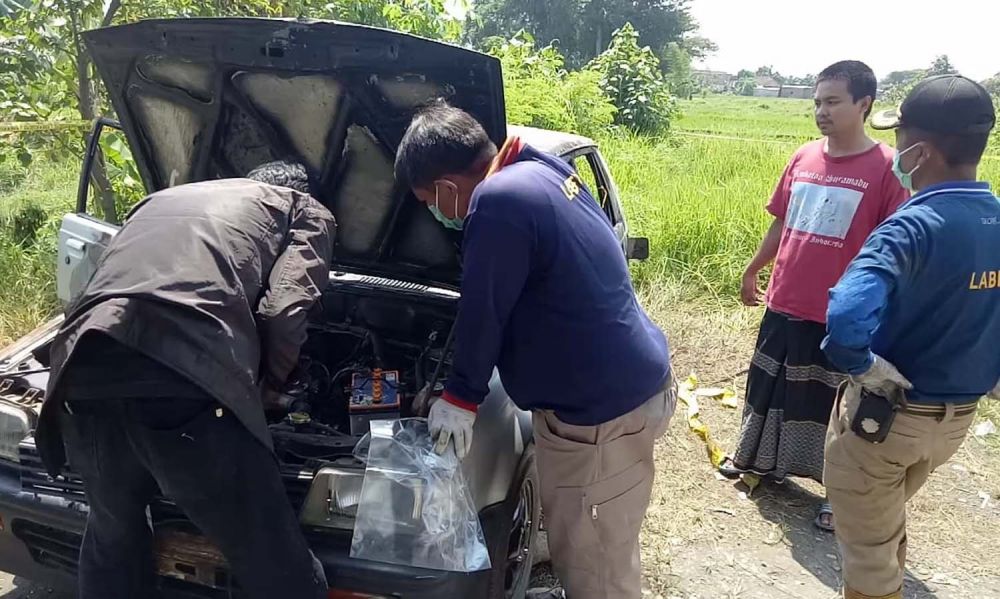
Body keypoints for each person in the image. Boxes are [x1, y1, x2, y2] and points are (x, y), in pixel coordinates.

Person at [394, 102, 675, 599]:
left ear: (444, 187)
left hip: (599, 418)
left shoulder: (499, 200)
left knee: (598, 564)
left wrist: (461, 397)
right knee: (591, 539)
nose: (433, 212)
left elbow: (485, 308)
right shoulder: (538, 167)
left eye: (428, 201)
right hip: (621, 392)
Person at [35, 161, 336, 599]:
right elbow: (283, 312)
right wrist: (268, 389)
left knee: (111, 541)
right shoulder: (305, 208)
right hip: (181, 381)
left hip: (81, 373)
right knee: (274, 561)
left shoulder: (162, 199)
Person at [822, 74, 1000, 599]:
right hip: (952, 424)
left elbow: (848, 315)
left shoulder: (912, 225)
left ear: (920, 152)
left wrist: (861, 365)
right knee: (884, 522)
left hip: (887, 418)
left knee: (868, 564)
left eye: (900, 140)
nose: (895, 151)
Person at [718, 60, 908, 532]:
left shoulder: (887, 169)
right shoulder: (803, 157)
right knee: (770, 387)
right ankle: (755, 459)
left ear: (864, 104)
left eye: (832, 101)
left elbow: (894, 247)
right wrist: (753, 269)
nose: (821, 111)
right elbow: (782, 222)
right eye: (817, 102)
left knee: (836, 406)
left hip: (842, 315)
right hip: (785, 299)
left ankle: (836, 496)